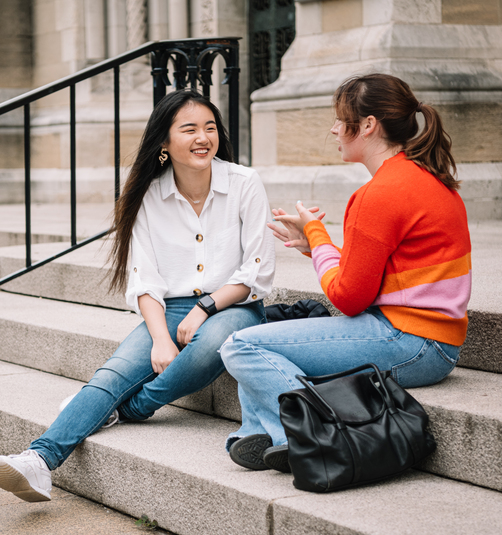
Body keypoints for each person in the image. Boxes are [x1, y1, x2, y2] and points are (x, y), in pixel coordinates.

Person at [0, 90, 275, 501]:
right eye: (190, 129)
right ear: (164, 142)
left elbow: (257, 271)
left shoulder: (244, 183)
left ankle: (130, 408)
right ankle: (38, 461)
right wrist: (161, 338)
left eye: (210, 128)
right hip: (169, 308)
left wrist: (204, 308)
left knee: (214, 342)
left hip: (235, 304)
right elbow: (145, 280)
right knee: (112, 374)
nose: (203, 137)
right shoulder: (149, 194)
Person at [221, 73, 471, 473]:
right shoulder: (426, 178)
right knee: (261, 343)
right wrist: (315, 249)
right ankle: (266, 435)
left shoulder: (379, 194)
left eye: (341, 119)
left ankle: (309, 432)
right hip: (430, 339)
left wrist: (317, 235)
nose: (334, 129)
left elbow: (348, 298)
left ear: (368, 125)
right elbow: (371, 281)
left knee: (242, 346)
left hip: (411, 342)